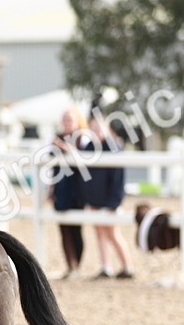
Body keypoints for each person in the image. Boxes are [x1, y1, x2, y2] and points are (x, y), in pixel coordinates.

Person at [85, 118, 133, 279]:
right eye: (93, 128)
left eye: (99, 127)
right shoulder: (90, 147)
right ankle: (106, 267)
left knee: (113, 233)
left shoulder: (114, 148)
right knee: (99, 232)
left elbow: (119, 180)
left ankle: (127, 267)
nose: (96, 130)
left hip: (110, 201)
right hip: (95, 200)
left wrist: (114, 203)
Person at [49, 107, 92, 279]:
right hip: (61, 187)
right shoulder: (57, 138)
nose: (67, 123)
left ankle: (77, 265)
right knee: (63, 228)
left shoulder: (83, 138)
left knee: (76, 228)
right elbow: (52, 165)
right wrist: (51, 188)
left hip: (77, 188)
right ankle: (71, 265)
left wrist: (67, 149)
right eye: (65, 119)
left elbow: (85, 161)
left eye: (70, 119)